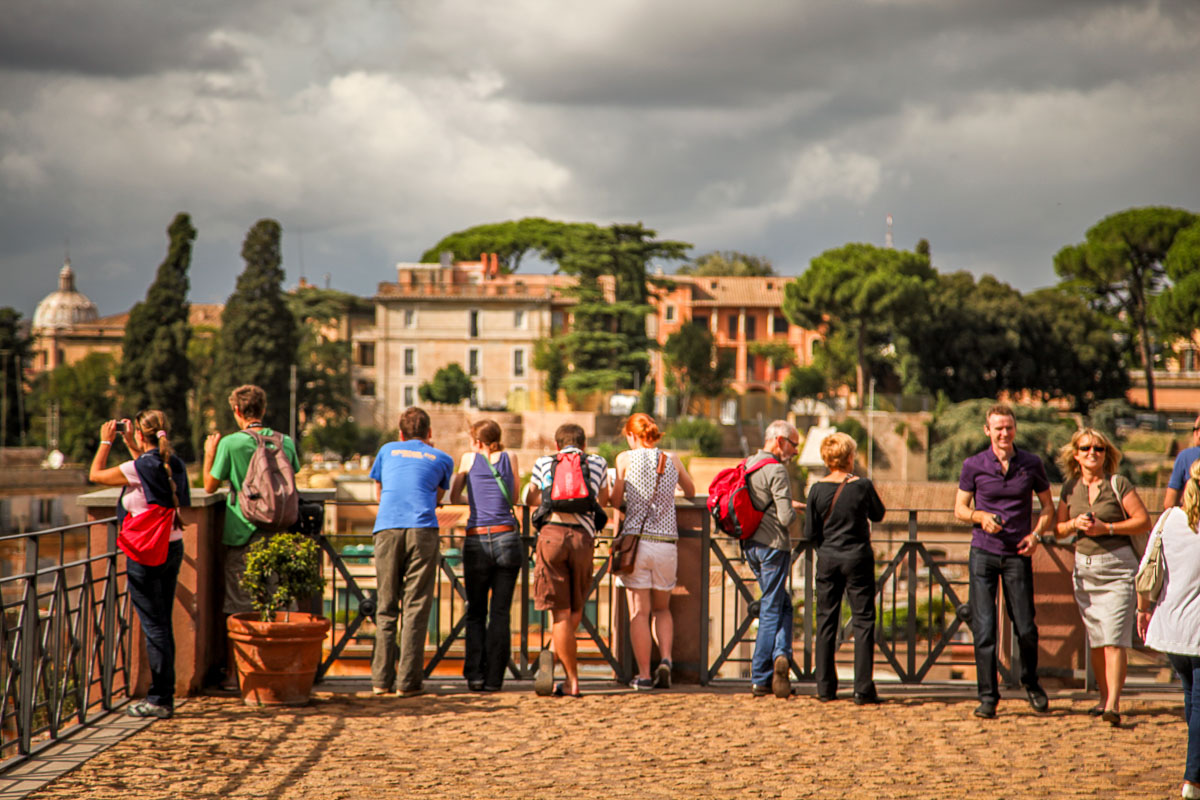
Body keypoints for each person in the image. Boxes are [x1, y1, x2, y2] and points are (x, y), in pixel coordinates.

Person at [954, 404, 1055, 719]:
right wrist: (980, 516)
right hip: (982, 552)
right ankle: (988, 696)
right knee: (985, 629)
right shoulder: (973, 465)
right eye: (997, 428)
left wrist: (1036, 535)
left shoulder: (1031, 464)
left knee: (1025, 627)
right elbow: (959, 509)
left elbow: (1049, 508)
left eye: (1008, 427)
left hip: (1017, 554)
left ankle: (1031, 683)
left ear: (1015, 429)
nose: (1003, 433)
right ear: (987, 431)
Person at [90, 411, 190, 718]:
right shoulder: (173, 463)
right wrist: (132, 442)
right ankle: (164, 694)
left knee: (154, 625)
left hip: (144, 552)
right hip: (172, 546)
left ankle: (160, 699)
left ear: (144, 435)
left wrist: (107, 440)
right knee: (162, 622)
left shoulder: (138, 468)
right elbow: (149, 467)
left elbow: (95, 474)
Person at [203, 384, 300, 689]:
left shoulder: (230, 444)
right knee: (280, 602)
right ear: (263, 410)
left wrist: (209, 454)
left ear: (237, 411)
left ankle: (236, 674)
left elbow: (209, 486)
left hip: (241, 533)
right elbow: (292, 476)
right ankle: (279, 670)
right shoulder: (285, 442)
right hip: (280, 533)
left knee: (240, 606)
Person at [1053, 428, 1150, 726]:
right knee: (1097, 638)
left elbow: (1143, 520)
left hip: (1118, 568)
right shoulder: (1070, 488)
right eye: (1086, 448)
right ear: (1076, 454)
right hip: (1085, 568)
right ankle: (1102, 697)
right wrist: (1073, 523)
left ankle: (1113, 704)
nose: (1092, 453)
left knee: (1114, 638)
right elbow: (1057, 529)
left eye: (1099, 448)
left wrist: (1106, 529)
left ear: (1107, 454)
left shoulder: (1117, 483)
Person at [368, 406, 454, 697]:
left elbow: (378, 493)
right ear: (429, 434)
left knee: (386, 606)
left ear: (400, 433)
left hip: (388, 528)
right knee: (416, 607)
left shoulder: (387, 450)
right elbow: (438, 496)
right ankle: (408, 683)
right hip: (422, 529)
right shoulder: (442, 458)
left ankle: (381, 680)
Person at [609, 413, 695, 690]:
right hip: (666, 544)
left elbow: (614, 499)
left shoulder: (624, 459)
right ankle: (666, 660)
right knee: (662, 610)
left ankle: (644, 675)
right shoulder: (671, 459)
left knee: (639, 613)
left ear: (632, 436)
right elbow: (691, 490)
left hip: (637, 545)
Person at [527, 423, 609, 698]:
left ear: (557, 445)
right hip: (583, 539)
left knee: (559, 614)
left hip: (551, 536)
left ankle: (571, 679)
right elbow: (606, 498)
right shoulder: (597, 463)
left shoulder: (543, 463)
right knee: (576, 607)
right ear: (584, 445)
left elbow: (531, 497)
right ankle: (558, 659)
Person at [805, 432, 885, 705]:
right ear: (850, 458)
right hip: (858, 558)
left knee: (826, 621)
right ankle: (863, 689)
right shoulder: (861, 486)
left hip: (827, 559)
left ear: (827, 459)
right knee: (863, 622)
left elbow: (809, 532)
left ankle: (825, 688)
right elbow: (879, 514)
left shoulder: (815, 489)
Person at [1137, 458, 1200, 800]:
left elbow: (1148, 569)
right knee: (1199, 703)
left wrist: (1142, 610)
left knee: (1192, 697)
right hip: (1197, 630)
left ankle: (1196, 768)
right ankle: (1193, 777)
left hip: (1172, 628)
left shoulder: (1168, 519)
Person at [449, 419, 522, 692]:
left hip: (477, 538)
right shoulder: (511, 457)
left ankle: (474, 675)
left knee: (476, 612)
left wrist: (474, 499)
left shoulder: (468, 459)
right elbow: (513, 498)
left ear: (477, 442)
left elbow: (455, 497)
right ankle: (494, 679)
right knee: (500, 613)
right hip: (507, 536)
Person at [743, 420, 804, 698]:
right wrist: (796, 510)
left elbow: (760, 501)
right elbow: (784, 518)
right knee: (771, 608)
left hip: (751, 546)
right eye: (793, 445)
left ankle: (781, 656)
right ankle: (762, 676)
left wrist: (783, 501)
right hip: (773, 547)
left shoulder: (748, 463)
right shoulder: (777, 469)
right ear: (779, 441)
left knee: (783, 604)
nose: (794, 452)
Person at [1163, 412, 1200, 510]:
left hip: (1193, 520)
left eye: (1194, 429)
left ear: (1198, 432)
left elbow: (1170, 503)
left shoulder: (1185, 457)